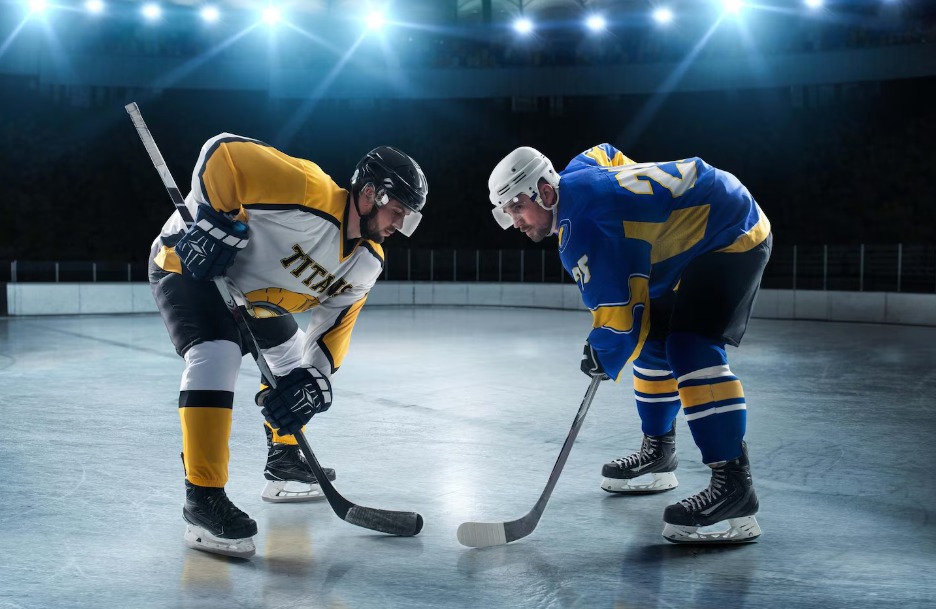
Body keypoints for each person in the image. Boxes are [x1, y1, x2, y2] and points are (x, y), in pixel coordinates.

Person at [148, 133, 428, 557]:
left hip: (254, 297)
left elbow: (332, 331)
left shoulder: (366, 262)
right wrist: (213, 220)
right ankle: (202, 498)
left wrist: (311, 382)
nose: (399, 227)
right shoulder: (307, 190)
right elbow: (223, 152)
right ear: (371, 193)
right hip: (191, 268)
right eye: (397, 212)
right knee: (216, 354)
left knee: (294, 362)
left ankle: (283, 462)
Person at [487, 144, 771, 543]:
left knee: (692, 347)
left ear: (545, 193)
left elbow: (620, 319)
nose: (514, 221)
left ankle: (734, 486)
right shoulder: (578, 170)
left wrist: (600, 352)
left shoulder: (583, 229)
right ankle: (660, 453)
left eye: (517, 207)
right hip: (692, 237)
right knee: (655, 339)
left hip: (731, 231)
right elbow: (607, 153)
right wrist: (640, 210)